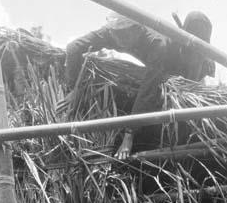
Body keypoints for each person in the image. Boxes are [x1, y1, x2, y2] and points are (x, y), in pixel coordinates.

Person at [63, 11, 215, 158]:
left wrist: (129, 134)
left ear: (137, 29)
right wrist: (74, 89)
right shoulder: (110, 34)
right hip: (159, 62)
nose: (121, 39)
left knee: (196, 19)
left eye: (126, 34)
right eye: (117, 34)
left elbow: (147, 90)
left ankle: (203, 60)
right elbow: (73, 48)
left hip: (181, 62)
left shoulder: (156, 43)